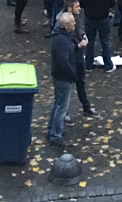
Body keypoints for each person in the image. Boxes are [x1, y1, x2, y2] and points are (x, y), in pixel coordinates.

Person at [64, 0, 99, 118]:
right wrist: (78, 45)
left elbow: (79, 30)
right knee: (66, 87)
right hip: (70, 59)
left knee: (81, 83)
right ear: (70, 8)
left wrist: (83, 36)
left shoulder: (75, 19)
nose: (79, 8)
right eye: (77, 6)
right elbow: (64, 42)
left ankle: (86, 107)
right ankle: (65, 112)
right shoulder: (64, 22)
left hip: (78, 57)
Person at [47, 11, 78, 149]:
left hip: (59, 76)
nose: (75, 24)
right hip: (63, 77)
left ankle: (51, 130)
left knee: (57, 103)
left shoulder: (59, 37)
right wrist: (73, 74)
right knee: (62, 107)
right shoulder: (62, 40)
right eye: (72, 22)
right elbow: (63, 62)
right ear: (66, 25)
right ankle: (56, 135)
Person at [80, 0, 116, 72]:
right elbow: (112, 3)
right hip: (103, 18)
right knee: (105, 41)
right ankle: (108, 65)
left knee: (90, 41)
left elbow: (81, 4)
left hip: (89, 18)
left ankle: (88, 65)